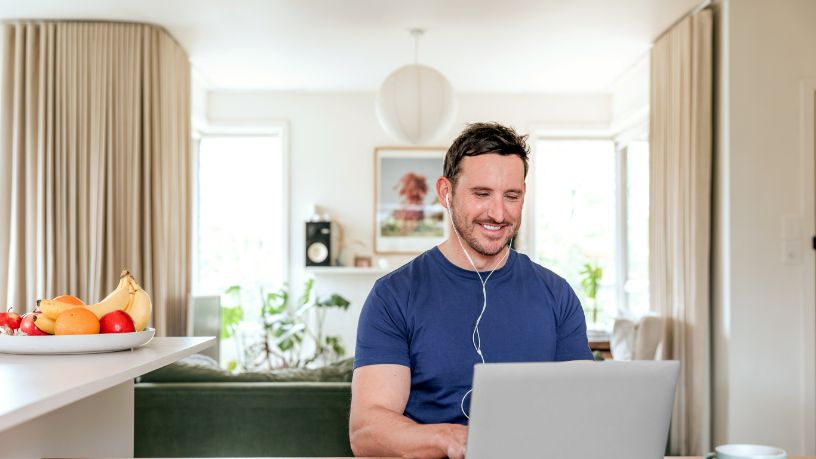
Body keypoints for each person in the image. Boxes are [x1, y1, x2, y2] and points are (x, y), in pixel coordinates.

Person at [349, 123, 593, 459]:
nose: (498, 213)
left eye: (512, 196)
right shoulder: (393, 295)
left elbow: (583, 413)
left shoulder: (557, 295)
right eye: (481, 194)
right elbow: (366, 431)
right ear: (445, 192)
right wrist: (454, 439)